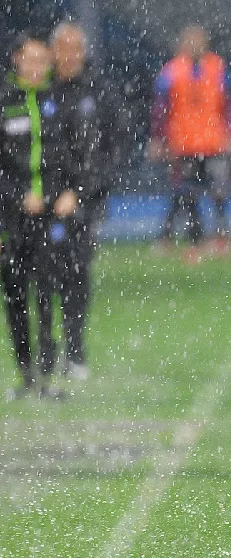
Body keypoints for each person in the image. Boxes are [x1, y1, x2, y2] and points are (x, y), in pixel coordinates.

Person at [0, 35, 81, 400]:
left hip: (51, 217)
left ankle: (48, 373)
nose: (37, 67)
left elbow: (77, 151)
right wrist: (18, 196)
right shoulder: (5, 101)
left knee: (48, 292)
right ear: (17, 60)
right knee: (15, 296)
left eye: (42, 61)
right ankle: (27, 374)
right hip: (12, 219)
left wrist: (69, 191)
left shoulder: (59, 99)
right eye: (30, 59)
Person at [50, 21, 124, 381]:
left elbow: (112, 151)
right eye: (63, 48)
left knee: (77, 275)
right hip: (42, 203)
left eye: (75, 48)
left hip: (85, 203)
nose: (70, 55)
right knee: (40, 277)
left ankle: (75, 351)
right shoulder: (41, 90)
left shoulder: (100, 91)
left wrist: (80, 192)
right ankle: (42, 356)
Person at [149, 24, 231, 262]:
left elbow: (227, 103)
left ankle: (220, 236)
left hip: (213, 141)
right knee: (188, 194)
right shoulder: (172, 71)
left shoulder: (217, 67)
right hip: (185, 143)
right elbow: (160, 108)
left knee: (219, 191)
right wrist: (159, 138)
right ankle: (194, 240)